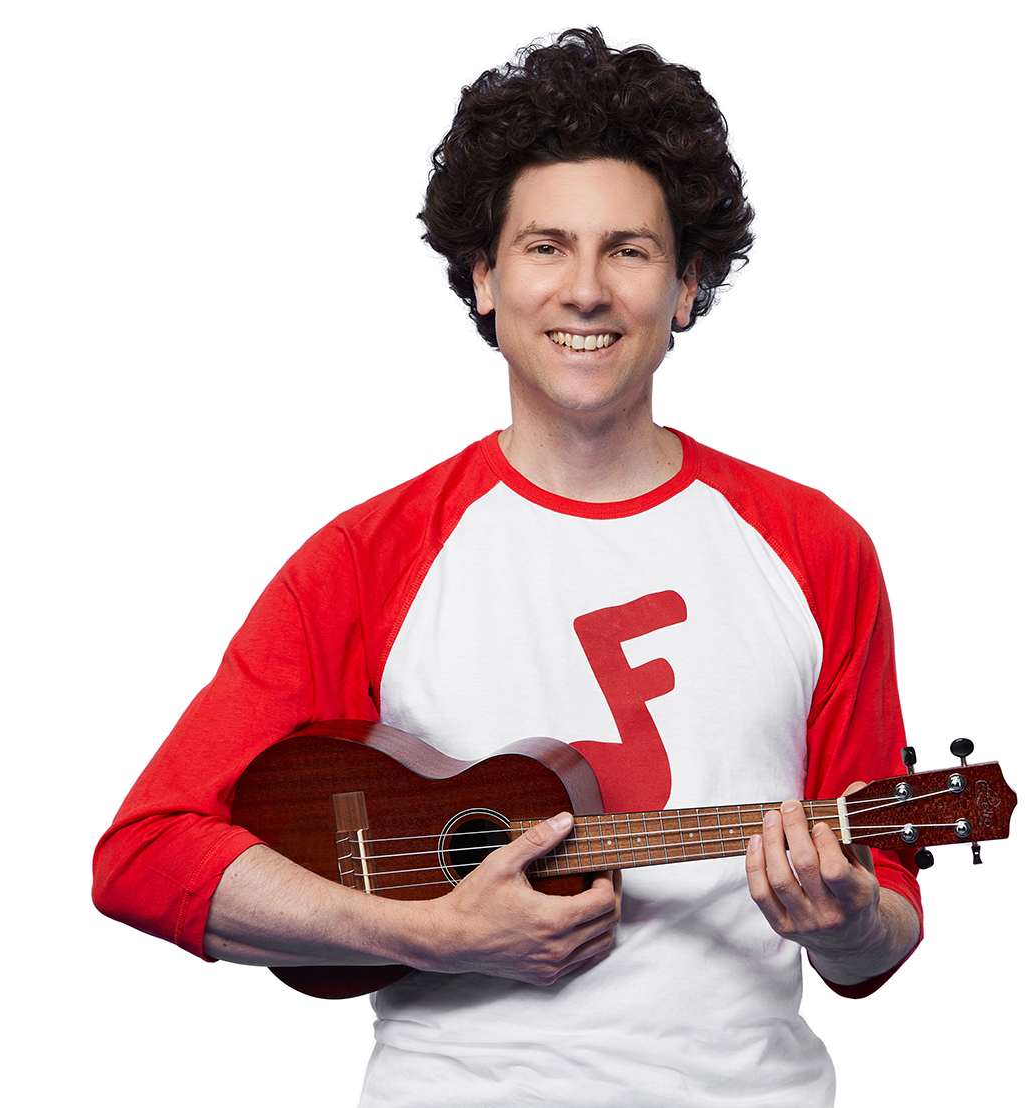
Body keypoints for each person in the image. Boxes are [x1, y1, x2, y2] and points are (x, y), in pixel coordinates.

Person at [93, 28, 921, 1106]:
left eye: (627, 249)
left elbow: (879, 926)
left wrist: (851, 920)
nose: (584, 290)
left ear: (685, 286)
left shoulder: (815, 548)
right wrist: (425, 933)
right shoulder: (369, 557)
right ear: (483, 278)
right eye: (543, 248)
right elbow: (147, 855)